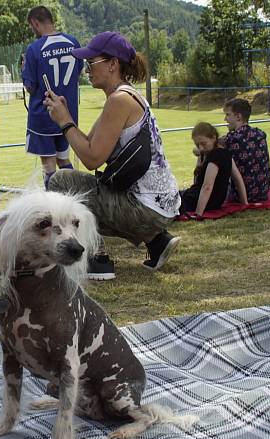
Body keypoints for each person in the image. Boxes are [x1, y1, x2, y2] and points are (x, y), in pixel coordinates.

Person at [43, 31, 181, 279]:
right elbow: (88, 144)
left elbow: (92, 158)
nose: (86, 69)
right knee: (81, 185)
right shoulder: (126, 95)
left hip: (145, 209)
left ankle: (97, 259)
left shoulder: (119, 100)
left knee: (60, 181)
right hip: (160, 205)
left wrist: (64, 122)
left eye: (91, 63)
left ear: (113, 64)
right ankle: (157, 242)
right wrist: (65, 117)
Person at [22, 6, 83, 189]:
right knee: (64, 160)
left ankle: (54, 209)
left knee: (48, 166)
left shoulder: (34, 49)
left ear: (35, 23)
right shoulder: (73, 42)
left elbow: (30, 86)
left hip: (44, 116)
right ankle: (76, 200)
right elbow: (78, 72)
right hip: (68, 115)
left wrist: (24, 68)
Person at [180, 122, 248, 217]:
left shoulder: (215, 157)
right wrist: (245, 203)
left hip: (198, 200)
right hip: (215, 202)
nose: (201, 148)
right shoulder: (226, 154)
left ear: (213, 137)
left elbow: (207, 186)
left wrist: (198, 214)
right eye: (197, 144)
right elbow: (238, 178)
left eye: (203, 143)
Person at [222, 98, 270, 202]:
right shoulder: (260, 134)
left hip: (241, 196)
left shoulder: (232, 138)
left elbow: (205, 148)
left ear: (238, 116)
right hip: (262, 193)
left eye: (227, 115)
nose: (225, 119)